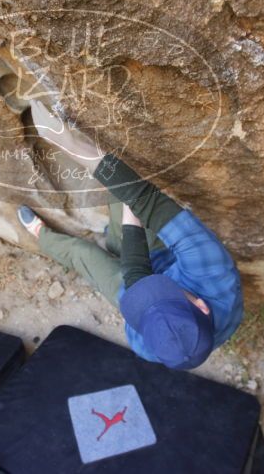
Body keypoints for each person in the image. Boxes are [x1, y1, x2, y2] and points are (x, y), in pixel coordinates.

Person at [18, 100, 243, 370]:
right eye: (163, 295)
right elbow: (145, 198)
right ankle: (117, 240)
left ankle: (44, 237)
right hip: (166, 257)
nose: (149, 298)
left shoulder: (147, 342)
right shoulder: (213, 272)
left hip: (136, 283)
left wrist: (131, 207)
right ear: (201, 305)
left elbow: (136, 276)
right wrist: (68, 141)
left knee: (84, 254)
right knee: (120, 194)